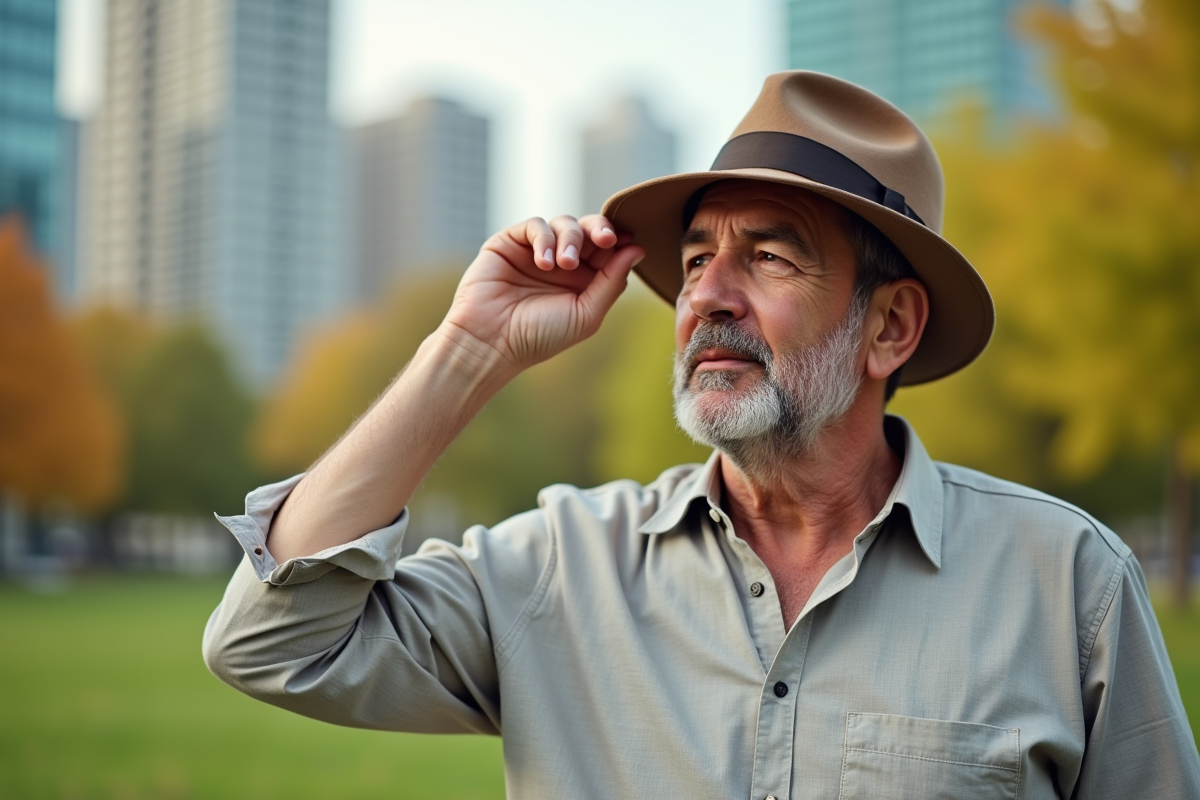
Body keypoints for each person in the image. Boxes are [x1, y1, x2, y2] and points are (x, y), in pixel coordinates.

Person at [203, 72, 1200, 798]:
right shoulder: (558, 565)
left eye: (767, 256)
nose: (706, 295)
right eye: (694, 259)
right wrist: (469, 350)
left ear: (889, 326)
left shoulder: (1069, 581)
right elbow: (271, 640)